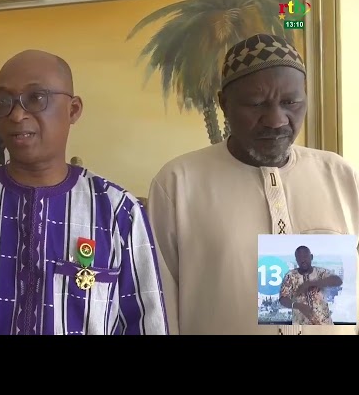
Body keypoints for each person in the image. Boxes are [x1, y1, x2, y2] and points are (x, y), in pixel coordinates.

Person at [0, 49, 168, 335]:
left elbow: (146, 324)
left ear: (73, 110)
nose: (17, 114)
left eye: (35, 98)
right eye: (4, 102)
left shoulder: (118, 211)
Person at [147, 33, 359, 335]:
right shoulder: (178, 184)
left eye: (290, 102)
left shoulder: (339, 176)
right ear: (224, 104)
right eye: (256, 104)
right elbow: (159, 308)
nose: (276, 119)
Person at [279, 245, 342, 325]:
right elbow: (283, 299)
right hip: (301, 327)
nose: (303, 260)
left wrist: (311, 283)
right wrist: (298, 306)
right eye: (299, 258)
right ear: (296, 260)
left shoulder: (320, 272)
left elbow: (338, 281)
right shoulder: (291, 276)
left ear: (311, 257)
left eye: (305, 256)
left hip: (324, 325)